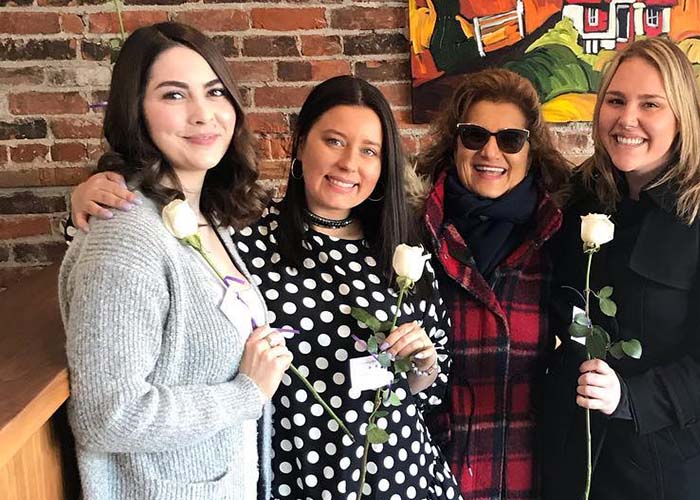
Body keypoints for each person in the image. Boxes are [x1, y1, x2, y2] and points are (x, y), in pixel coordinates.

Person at [66, 75, 463, 499]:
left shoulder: (405, 252)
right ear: (301, 144)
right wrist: (83, 207)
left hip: (403, 478)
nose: (350, 163)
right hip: (294, 477)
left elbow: (427, 394)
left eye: (370, 151)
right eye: (333, 141)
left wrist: (423, 364)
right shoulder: (240, 239)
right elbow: (141, 262)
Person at [58, 22, 291, 500]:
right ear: (135, 112)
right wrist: (245, 395)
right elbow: (108, 416)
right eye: (173, 95)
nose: (203, 114)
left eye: (214, 92)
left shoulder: (203, 217)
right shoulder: (126, 234)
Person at [541, 37, 700, 500]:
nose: (628, 120)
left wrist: (630, 398)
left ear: (681, 116)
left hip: (674, 466)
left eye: (650, 104)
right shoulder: (584, 195)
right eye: (616, 101)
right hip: (582, 453)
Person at [414, 68, 573, 500]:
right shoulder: (413, 233)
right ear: (454, 142)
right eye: (474, 135)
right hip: (428, 477)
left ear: (530, 150)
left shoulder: (561, 238)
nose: (490, 151)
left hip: (531, 477)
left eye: (510, 139)